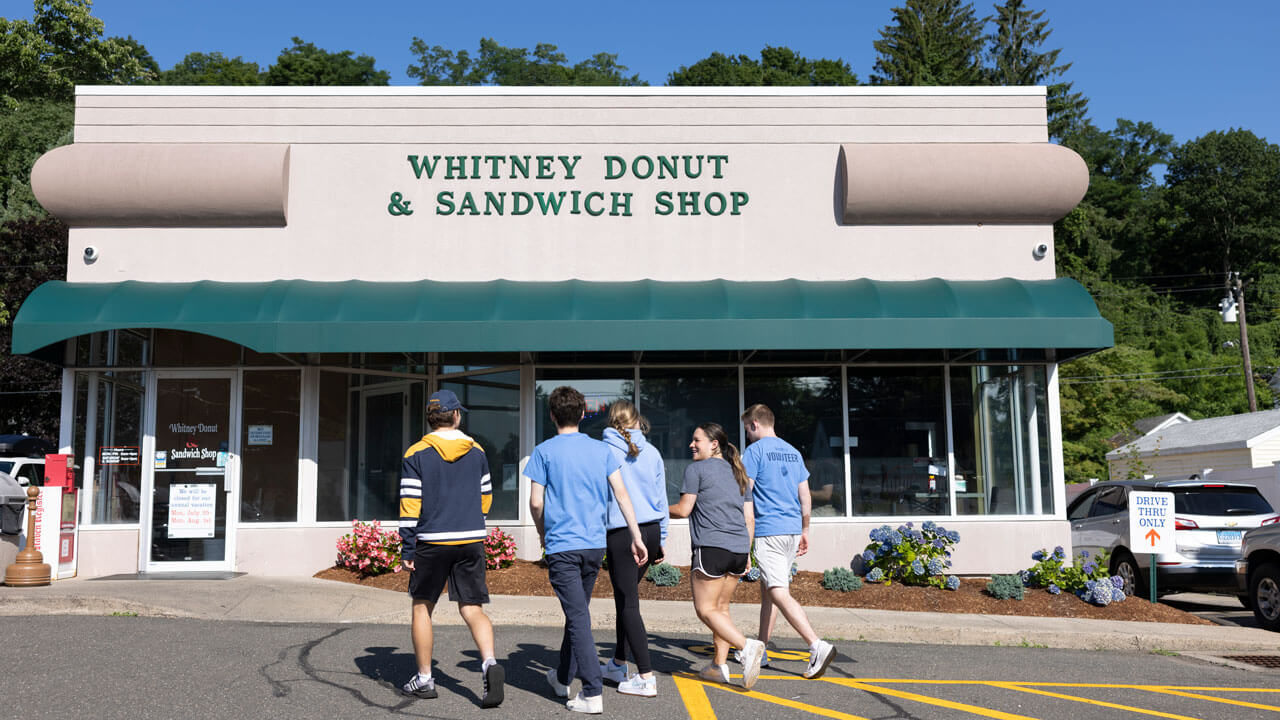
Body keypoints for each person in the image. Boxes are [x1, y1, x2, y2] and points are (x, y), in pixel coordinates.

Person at [526, 386, 649, 715]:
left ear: (552, 415)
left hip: (563, 546)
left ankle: (592, 691)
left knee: (578, 616)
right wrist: (636, 536)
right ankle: (563, 676)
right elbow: (622, 496)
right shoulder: (602, 451)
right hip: (594, 546)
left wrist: (543, 535)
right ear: (582, 414)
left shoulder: (543, 451)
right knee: (576, 612)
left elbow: (536, 503)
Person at [397, 389, 504, 708]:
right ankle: (489, 664)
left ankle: (425, 679)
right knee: (473, 608)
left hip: (432, 540)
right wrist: (472, 519)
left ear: (430, 418)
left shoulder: (415, 452)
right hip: (471, 538)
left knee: (422, 606)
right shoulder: (477, 451)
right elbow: (486, 496)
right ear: (456, 415)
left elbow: (410, 502)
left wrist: (407, 548)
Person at [741, 403, 837, 679]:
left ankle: (816, 645)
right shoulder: (793, 453)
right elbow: (805, 496)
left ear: (755, 424)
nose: (747, 434)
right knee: (769, 590)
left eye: (748, 428)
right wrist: (805, 529)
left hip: (768, 530)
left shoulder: (754, 451)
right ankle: (762, 648)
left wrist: (743, 531)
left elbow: (746, 492)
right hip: (792, 529)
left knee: (778, 591)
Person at [668, 423, 766, 689]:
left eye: (696, 440)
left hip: (711, 547)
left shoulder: (696, 469)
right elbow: (749, 518)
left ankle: (747, 646)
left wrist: (654, 510)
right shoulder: (739, 472)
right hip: (737, 549)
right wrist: (747, 553)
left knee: (705, 609)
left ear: (714, 444)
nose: (691, 444)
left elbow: (684, 509)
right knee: (721, 609)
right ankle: (718, 666)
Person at [599, 400, 667, 697]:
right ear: (637, 421)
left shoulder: (604, 451)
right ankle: (617, 662)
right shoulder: (652, 452)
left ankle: (646, 676)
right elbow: (661, 498)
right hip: (650, 531)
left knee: (628, 603)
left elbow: (600, 496)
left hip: (623, 532)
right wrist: (661, 538)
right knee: (624, 599)